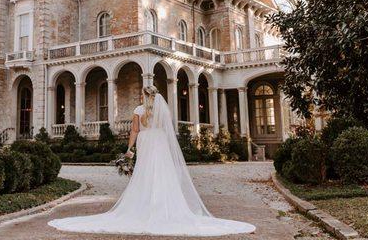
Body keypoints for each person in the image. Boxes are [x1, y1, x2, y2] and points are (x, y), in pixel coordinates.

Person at [48, 85, 256, 237]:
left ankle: (145, 206)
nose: (140, 96)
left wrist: (130, 149)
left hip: (147, 141)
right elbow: (167, 131)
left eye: (141, 94)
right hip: (159, 142)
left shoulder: (139, 111)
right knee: (163, 173)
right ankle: (166, 206)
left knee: (145, 173)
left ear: (145, 97)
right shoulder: (162, 110)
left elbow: (135, 131)